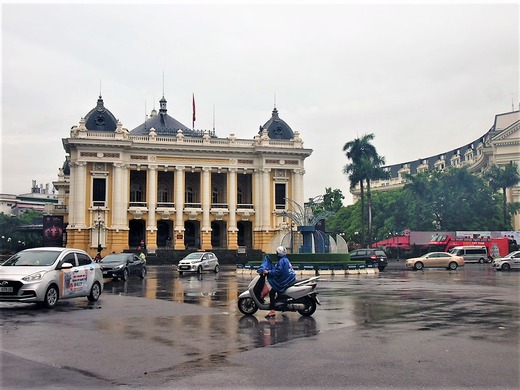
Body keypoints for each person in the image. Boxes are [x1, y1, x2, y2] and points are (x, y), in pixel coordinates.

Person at [261, 246, 296, 318]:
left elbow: (278, 272)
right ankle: (282, 305)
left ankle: (272, 311)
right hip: (290, 279)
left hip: (285, 281)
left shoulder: (281, 261)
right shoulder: (285, 260)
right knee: (279, 292)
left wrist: (268, 272)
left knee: (272, 293)